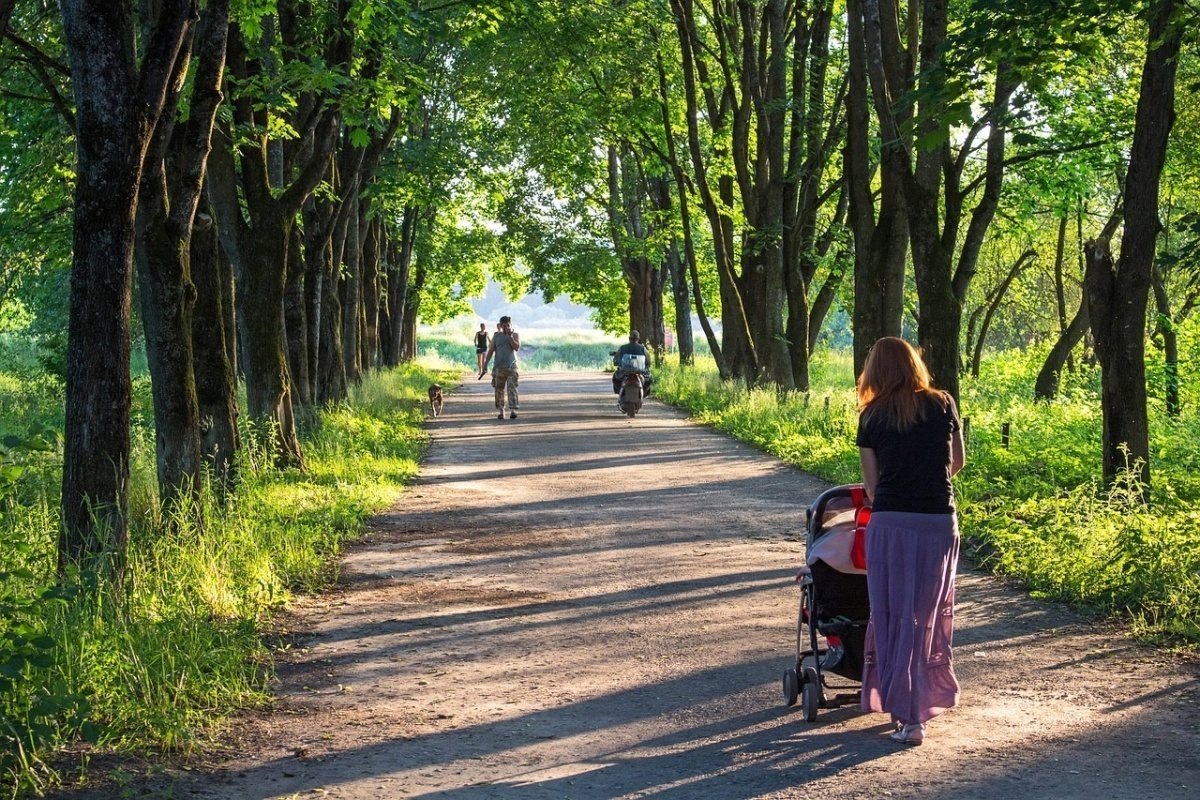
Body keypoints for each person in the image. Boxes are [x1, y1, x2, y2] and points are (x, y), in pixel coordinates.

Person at [855, 336, 966, 746]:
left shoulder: (871, 416)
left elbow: (871, 485)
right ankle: (924, 702)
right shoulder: (943, 404)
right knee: (929, 615)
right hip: (938, 522)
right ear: (914, 364)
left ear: (874, 372)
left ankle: (907, 715)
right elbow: (957, 462)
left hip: (891, 524)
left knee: (893, 614)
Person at [482, 315, 520, 419]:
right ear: (500, 325)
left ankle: (513, 410)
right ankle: (501, 410)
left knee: (512, 388)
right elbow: (490, 351)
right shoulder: (496, 336)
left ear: (510, 324)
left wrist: (510, 337)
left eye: (507, 325)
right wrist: (485, 365)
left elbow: (516, 347)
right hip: (499, 367)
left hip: (512, 367)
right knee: (499, 389)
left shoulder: (515, 335)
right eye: (504, 326)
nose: (506, 328)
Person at [611, 330, 652, 396]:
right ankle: (644, 393)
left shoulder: (623, 348)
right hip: (639, 371)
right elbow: (648, 361)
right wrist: (647, 365)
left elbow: (616, 359)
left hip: (625, 371)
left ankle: (619, 392)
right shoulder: (643, 348)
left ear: (629, 338)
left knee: (615, 378)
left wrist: (617, 362)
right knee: (648, 379)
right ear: (638, 339)